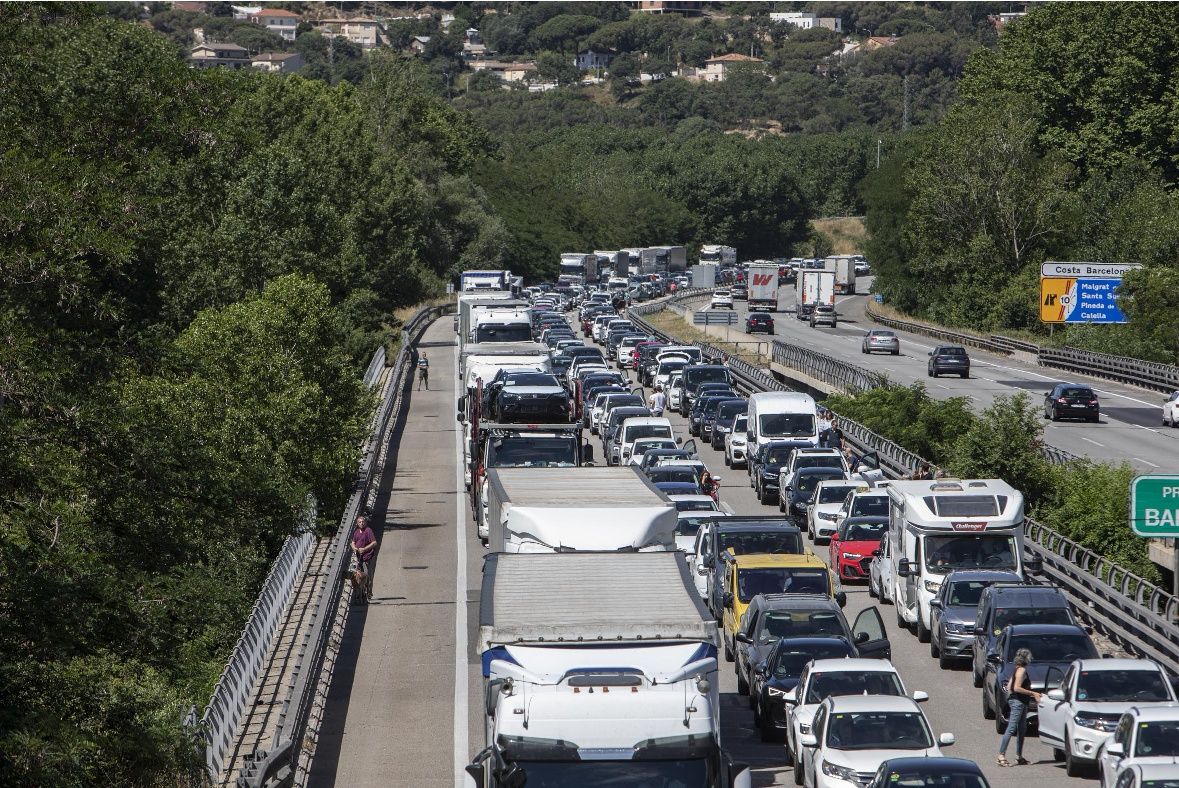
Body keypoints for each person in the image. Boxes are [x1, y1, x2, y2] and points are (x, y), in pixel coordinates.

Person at [997, 648, 1041, 766]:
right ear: (1026, 659)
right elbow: (1016, 687)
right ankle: (1001, 755)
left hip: (1019, 702)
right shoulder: (1021, 671)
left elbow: (1010, 685)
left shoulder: (1016, 669)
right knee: (1011, 728)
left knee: (1022, 729)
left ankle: (1019, 756)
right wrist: (1033, 693)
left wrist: (1010, 699)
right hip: (1019, 702)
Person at [351, 515, 377, 603]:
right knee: (360, 576)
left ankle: (368, 593)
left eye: (363, 522)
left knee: (368, 576)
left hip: (368, 557)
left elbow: (374, 543)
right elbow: (353, 542)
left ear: (365, 522)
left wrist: (364, 549)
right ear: (357, 523)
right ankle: (362, 594)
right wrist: (354, 547)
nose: (362, 523)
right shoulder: (356, 532)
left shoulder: (368, 531)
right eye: (360, 522)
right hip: (360, 558)